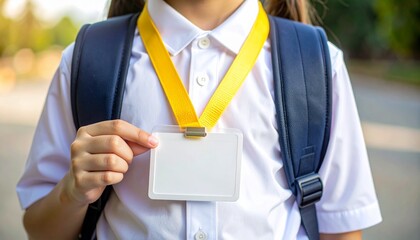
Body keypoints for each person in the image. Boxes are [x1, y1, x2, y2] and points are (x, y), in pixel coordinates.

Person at [16, 0, 382, 239]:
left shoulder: (316, 64)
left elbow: (342, 227)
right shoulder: (87, 59)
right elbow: (40, 228)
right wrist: (72, 192)